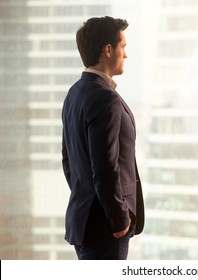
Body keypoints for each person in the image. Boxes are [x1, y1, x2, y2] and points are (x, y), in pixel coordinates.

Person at [61, 16, 144, 260]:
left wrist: (85, 196)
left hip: (86, 221)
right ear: (108, 50)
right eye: (123, 47)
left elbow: (69, 161)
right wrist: (119, 219)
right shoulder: (104, 98)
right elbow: (106, 166)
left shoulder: (75, 93)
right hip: (107, 226)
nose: (125, 54)